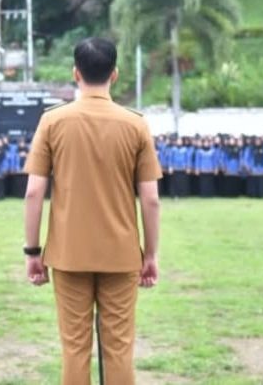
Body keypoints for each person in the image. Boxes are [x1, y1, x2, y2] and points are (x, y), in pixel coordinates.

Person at [23, 38, 161, 385]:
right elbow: (151, 199)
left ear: (75, 73)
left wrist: (32, 251)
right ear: (114, 75)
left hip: (69, 254)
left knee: (74, 348)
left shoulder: (53, 121)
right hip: (121, 253)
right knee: (119, 349)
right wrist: (151, 254)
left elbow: (34, 192)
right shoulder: (136, 125)